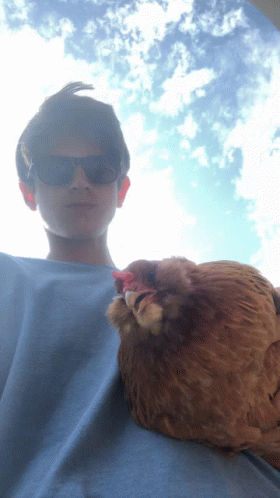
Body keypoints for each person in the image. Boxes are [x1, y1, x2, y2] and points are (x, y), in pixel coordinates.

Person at [0, 82, 280, 498]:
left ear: (122, 188)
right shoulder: (8, 281)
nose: (79, 181)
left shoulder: (179, 292)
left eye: (100, 166)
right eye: (57, 169)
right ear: (28, 192)